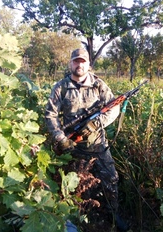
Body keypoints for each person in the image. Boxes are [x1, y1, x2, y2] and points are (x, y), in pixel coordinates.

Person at [45, 48, 128, 231]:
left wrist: (96, 124)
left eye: (83, 61)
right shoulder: (61, 87)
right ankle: (79, 218)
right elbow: (50, 115)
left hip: (98, 145)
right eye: (76, 61)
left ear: (88, 64)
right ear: (71, 63)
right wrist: (61, 138)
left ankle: (112, 215)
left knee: (111, 179)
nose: (79, 65)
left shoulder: (99, 85)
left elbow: (113, 107)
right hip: (73, 148)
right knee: (76, 187)